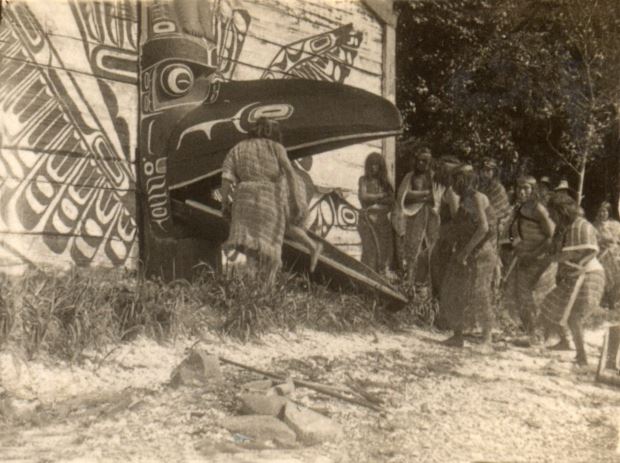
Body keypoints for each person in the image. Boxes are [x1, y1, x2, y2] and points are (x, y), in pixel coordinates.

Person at [221, 118, 322, 280]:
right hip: (269, 200)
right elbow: (289, 172)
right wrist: (296, 199)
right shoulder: (276, 147)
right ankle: (267, 287)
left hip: (244, 202)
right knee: (272, 247)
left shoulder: (237, 148)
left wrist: (224, 201)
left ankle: (253, 288)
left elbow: (226, 177)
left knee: (250, 247)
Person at [541, 194, 605, 365]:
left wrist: (551, 258)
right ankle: (567, 344)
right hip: (579, 274)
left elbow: (579, 252)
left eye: (551, 212)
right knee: (554, 304)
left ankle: (582, 357)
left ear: (560, 211)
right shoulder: (569, 226)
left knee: (574, 316)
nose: (550, 216)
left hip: (588, 274)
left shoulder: (579, 226)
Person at [440, 164, 497, 347]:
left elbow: (484, 228)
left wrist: (465, 251)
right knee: (455, 290)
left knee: (480, 293)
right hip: (467, 252)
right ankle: (458, 335)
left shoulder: (477, 198)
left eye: (455, 180)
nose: (453, 184)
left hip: (481, 254)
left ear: (464, 180)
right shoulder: (463, 200)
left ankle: (487, 338)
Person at [503, 176, 555, 345]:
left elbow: (551, 237)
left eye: (526, 188)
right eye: (519, 188)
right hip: (524, 256)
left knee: (525, 294)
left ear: (534, 190)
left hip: (538, 258)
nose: (521, 191)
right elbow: (512, 231)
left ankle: (534, 335)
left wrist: (532, 254)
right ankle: (530, 332)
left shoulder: (538, 209)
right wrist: (515, 244)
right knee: (518, 294)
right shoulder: (520, 207)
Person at [394, 147, 439, 286]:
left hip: (431, 216)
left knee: (432, 248)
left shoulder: (434, 177)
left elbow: (436, 197)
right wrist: (425, 195)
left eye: (425, 161)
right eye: (419, 160)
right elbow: (404, 197)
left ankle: (428, 285)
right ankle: (410, 283)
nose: (421, 163)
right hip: (413, 216)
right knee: (412, 249)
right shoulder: (410, 177)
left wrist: (421, 196)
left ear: (430, 162)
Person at [358, 153, 394, 275]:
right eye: (371, 164)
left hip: (382, 222)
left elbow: (391, 201)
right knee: (370, 252)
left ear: (381, 166)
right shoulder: (363, 180)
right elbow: (363, 196)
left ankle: (379, 281)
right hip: (366, 221)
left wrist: (373, 200)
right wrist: (380, 196)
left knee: (383, 253)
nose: (374, 167)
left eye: (377, 165)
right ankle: (366, 280)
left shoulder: (385, 183)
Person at [593, 201, 620, 310]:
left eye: (604, 211)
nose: (602, 214)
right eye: (600, 211)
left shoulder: (615, 225)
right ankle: (605, 301)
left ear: (609, 212)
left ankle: (614, 301)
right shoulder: (594, 225)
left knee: (615, 276)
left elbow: (617, 240)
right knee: (604, 277)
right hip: (600, 254)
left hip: (614, 253)